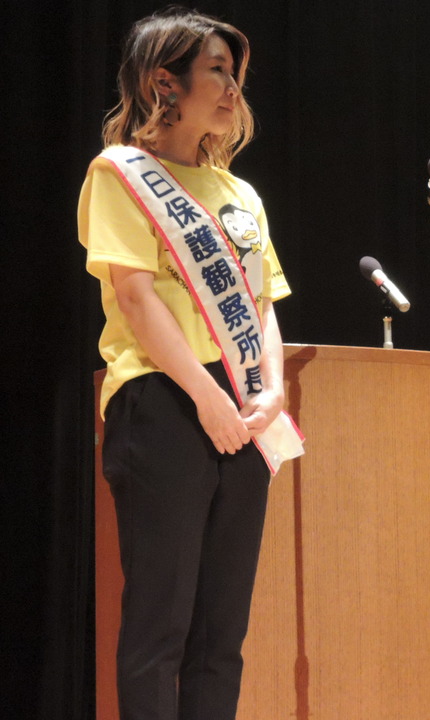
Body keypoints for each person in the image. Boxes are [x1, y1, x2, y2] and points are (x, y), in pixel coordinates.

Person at [78, 7, 301, 719]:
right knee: (160, 627)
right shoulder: (119, 174)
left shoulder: (242, 195)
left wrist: (267, 396)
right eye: (216, 70)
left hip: (242, 410)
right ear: (162, 81)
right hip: (164, 405)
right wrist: (208, 398)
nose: (233, 87)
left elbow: (262, 306)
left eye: (235, 74)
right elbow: (137, 301)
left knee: (221, 633)